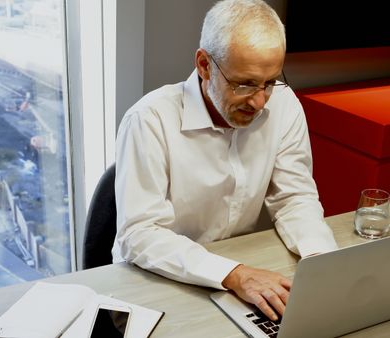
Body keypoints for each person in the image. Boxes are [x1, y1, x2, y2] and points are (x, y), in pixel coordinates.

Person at [112, 0, 338, 322]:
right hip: (156, 281)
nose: (260, 101)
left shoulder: (285, 105)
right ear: (204, 65)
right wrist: (235, 275)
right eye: (244, 83)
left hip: (240, 273)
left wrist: (320, 260)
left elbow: (294, 198)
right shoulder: (149, 120)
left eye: (270, 82)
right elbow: (140, 234)